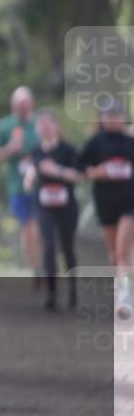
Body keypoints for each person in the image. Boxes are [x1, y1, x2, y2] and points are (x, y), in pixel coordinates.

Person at [78, 99, 134, 318]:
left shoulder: (130, 141)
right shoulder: (95, 142)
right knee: (115, 254)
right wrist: (95, 172)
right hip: (105, 202)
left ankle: (124, 298)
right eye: (109, 115)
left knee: (122, 249)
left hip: (129, 201)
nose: (113, 118)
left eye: (117, 114)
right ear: (102, 118)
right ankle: (122, 288)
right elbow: (80, 166)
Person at [24, 109, 83, 310]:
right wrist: (30, 177)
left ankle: (73, 289)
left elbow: (79, 176)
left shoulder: (68, 150)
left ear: (56, 126)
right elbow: (32, 169)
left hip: (67, 206)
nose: (45, 128)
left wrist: (57, 170)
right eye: (41, 125)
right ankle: (51, 293)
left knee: (67, 247)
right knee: (48, 245)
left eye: (48, 124)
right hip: (44, 206)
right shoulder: (35, 150)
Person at [0, 86, 41, 287]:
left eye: (25, 104)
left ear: (32, 104)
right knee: (27, 229)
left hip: (41, 185)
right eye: (18, 105)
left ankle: (43, 265)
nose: (22, 108)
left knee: (39, 228)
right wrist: (9, 149)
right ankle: (35, 267)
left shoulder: (39, 123)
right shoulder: (4, 126)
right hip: (17, 186)